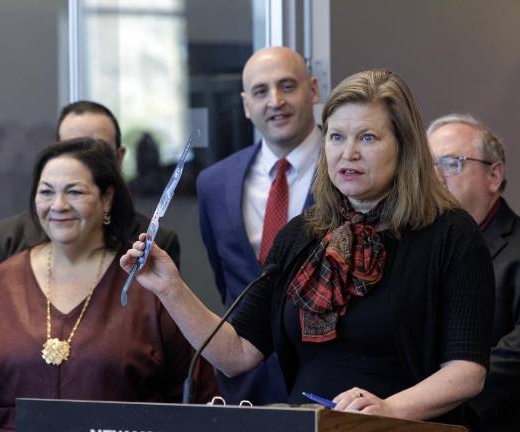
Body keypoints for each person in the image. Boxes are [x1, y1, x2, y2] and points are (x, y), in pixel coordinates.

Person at [122, 68, 495, 425]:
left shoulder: (450, 233)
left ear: (404, 147)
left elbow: (467, 371)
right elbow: (235, 354)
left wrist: (389, 410)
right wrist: (170, 287)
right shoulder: (303, 234)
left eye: (367, 138)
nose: (347, 153)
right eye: (336, 137)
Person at [0, 138, 216, 432]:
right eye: (46, 192)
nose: (58, 205)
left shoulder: (143, 282)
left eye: (75, 192)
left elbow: (197, 394)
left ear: (107, 199)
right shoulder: (2, 281)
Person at [428, 114, 520, 431]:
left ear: (494, 176)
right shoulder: (416, 252)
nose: (435, 177)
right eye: (428, 167)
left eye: (452, 163)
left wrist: (430, 397)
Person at [196, 46, 321, 404]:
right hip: (245, 387)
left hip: (325, 384)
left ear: (313, 90)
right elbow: (227, 282)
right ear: (246, 104)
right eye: (261, 91)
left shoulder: (349, 170)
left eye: (287, 86)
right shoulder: (213, 183)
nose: (275, 101)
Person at [0, 101, 180, 282]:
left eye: (99, 151)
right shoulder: (11, 237)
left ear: (119, 157)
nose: (84, 162)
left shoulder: (151, 242)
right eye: (72, 150)